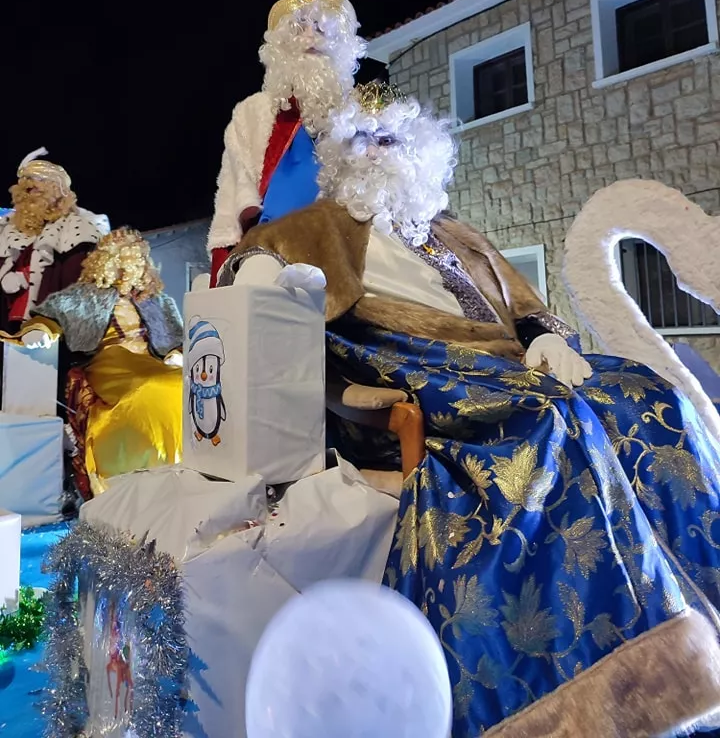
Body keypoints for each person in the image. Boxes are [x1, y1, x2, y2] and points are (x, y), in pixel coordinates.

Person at [218, 82, 720, 738]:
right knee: (548, 423)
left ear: (419, 151)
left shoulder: (456, 232)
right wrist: (260, 277)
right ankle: (608, 690)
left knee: (650, 396)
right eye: (360, 142)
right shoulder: (317, 225)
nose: (375, 152)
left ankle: (701, 606)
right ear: (340, 158)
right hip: (426, 370)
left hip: (515, 362)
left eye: (389, 139)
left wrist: (543, 336)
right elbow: (255, 260)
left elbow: (524, 303)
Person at [207, 0, 365, 285]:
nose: (310, 37)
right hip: (272, 244)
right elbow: (229, 203)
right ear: (280, 48)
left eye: (321, 28)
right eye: (298, 28)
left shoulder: (360, 113)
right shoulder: (252, 113)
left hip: (346, 244)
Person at [17, 228, 183, 499]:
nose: (130, 265)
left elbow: (178, 338)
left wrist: (178, 353)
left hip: (152, 360)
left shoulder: (159, 301)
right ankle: (132, 471)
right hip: (111, 361)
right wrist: (41, 329)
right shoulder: (86, 295)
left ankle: (177, 468)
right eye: (123, 259)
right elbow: (50, 314)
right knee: (150, 386)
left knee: (179, 383)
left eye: (137, 259)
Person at [0, 149, 106, 335]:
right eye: (26, 192)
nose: (29, 197)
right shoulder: (7, 228)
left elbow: (76, 285)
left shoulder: (76, 229)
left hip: (51, 331)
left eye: (37, 189)